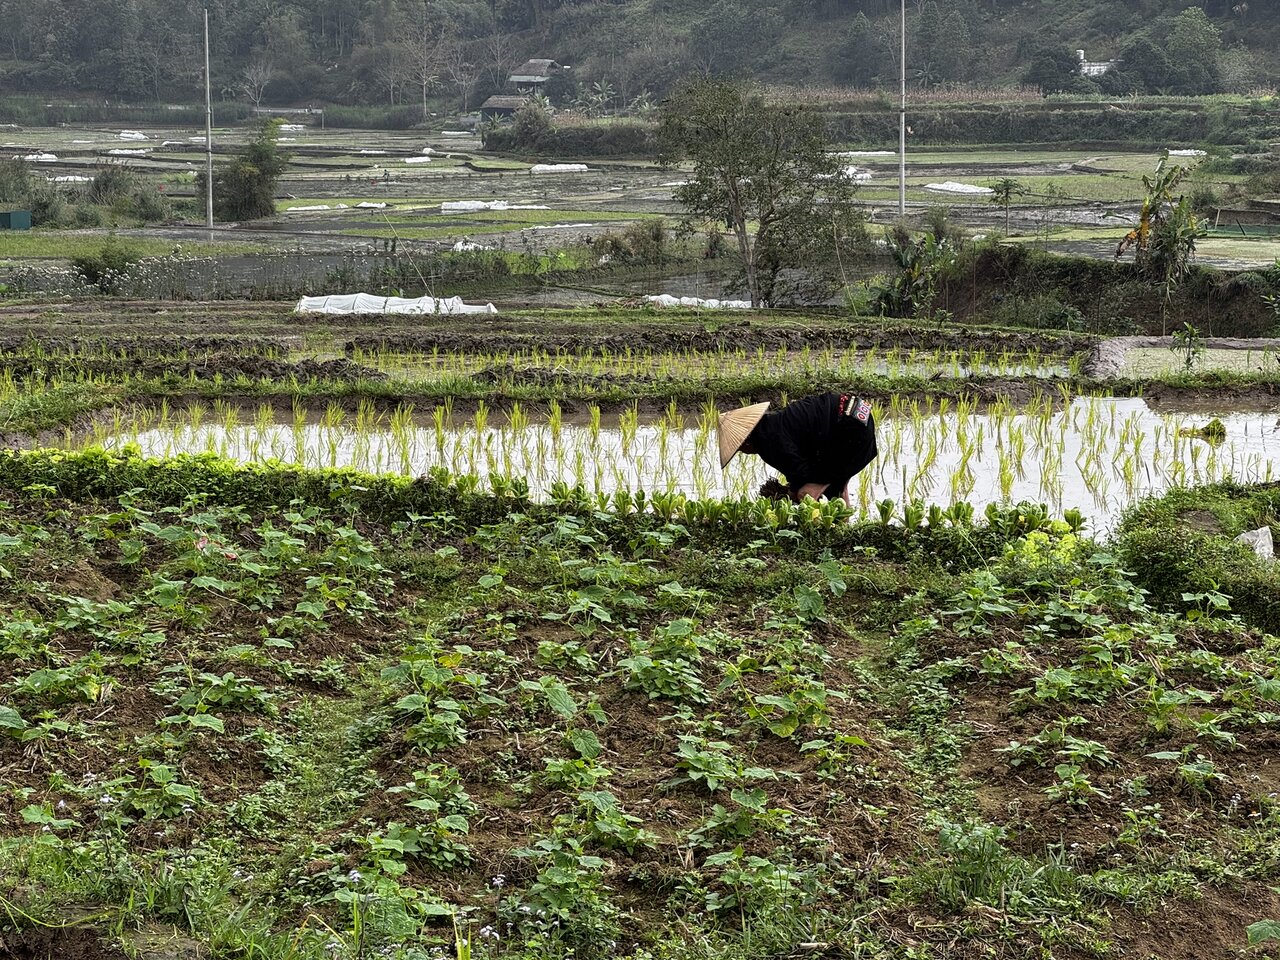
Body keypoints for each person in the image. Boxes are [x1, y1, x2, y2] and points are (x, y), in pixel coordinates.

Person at [717, 393, 878, 506]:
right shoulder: (774, 422)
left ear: (746, 442)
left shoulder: (767, 441)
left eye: (740, 449)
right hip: (859, 412)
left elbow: (802, 472)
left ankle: (818, 535)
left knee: (805, 493)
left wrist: (791, 492)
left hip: (849, 431)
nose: (744, 452)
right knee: (835, 487)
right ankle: (845, 529)